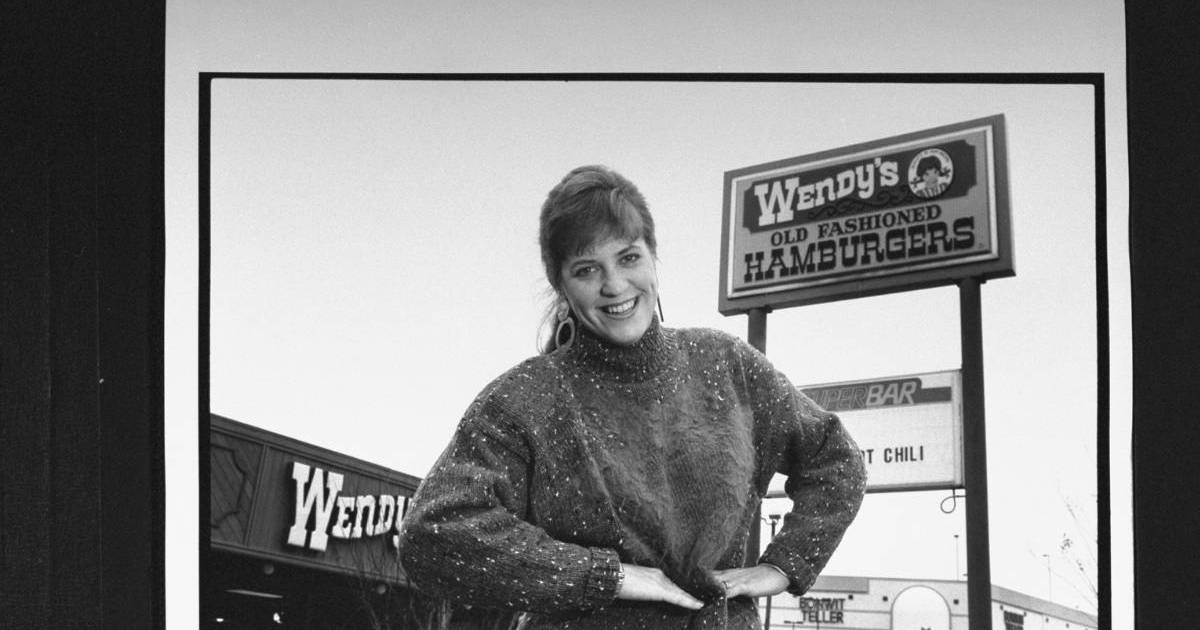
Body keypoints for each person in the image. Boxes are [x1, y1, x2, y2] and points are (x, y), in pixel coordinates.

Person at [398, 165, 867, 629]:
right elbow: (432, 533)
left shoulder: (727, 366)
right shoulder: (526, 400)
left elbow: (836, 459)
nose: (615, 286)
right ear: (561, 285)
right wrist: (609, 576)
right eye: (587, 270)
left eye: (628, 258)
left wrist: (784, 564)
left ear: (653, 256)